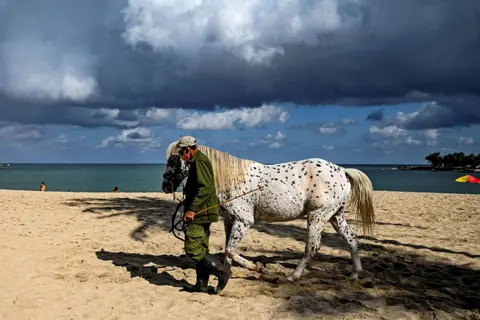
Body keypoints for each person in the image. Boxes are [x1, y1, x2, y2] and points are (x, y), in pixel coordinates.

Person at [175, 136, 231, 294]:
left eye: (181, 152)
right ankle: (201, 284)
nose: (181, 156)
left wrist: (192, 209)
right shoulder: (197, 161)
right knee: (202, 248)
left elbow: (206, 188)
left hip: (201, 213)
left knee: (192, 248)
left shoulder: (199, 161)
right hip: (203, 211)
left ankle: (222, 270)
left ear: (188, 149)